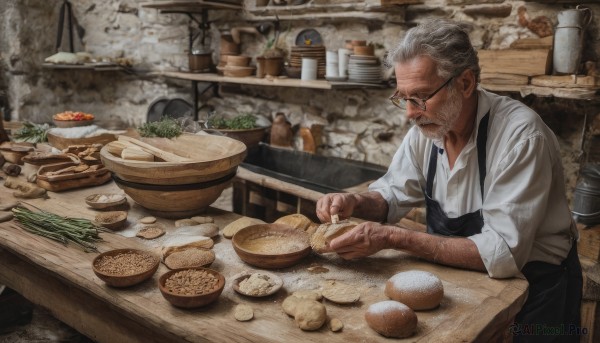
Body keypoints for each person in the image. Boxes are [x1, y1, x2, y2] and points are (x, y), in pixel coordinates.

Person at [316, 19, 582, 342]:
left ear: (466, 83)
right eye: (403, 97)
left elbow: (501, 253)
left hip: (540, 289)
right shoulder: (427, 131)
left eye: (421, 97)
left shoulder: (521, 137)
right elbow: (391, 194)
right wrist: (355, 202)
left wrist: (395, 238)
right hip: (463, 286)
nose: (409, 114)